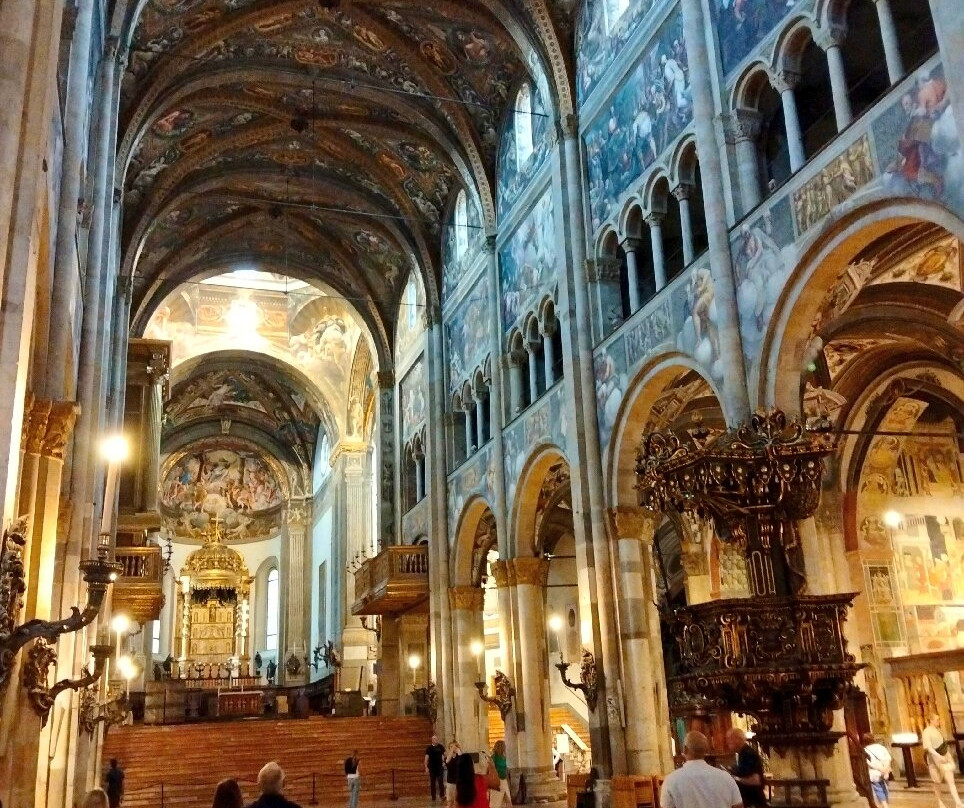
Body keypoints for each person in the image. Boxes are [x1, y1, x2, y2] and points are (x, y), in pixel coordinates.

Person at [660, 731, 744, 808]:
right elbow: (739, 806)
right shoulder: (726, 778)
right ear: (706, 750)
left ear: (685, 749)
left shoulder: (671, 780)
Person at [922, 714, 963, 808]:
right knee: (937, 783)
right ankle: (940, 802)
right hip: (934, 759)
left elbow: (943, 745)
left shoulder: (938, 730)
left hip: (944, 757)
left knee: (951, 781)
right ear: (931, 720)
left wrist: (947, 756)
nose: (938, 722)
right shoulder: (926, 732)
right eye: (937, 720)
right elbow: (929, 748)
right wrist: (939, 757)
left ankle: (957, 802)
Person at [725, 729, 767, 808]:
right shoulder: (743, 752)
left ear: (738, 739)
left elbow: (745, 772)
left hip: (752, 797)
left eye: (730, 738)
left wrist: (731, 771)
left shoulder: (748, 753)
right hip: (750, 797)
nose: (727, 741)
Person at [862, 733, 892, 808]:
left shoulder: (865, 750)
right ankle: (886, 804)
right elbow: (888, 758)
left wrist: (880, 769)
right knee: (885, 787)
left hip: (874, 772)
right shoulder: (881, 747)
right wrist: (885, 769)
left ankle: (884, 805)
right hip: (885, 771)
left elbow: (869, 763)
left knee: (878, 789)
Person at [426, 734, 447, 802]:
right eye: (434, 739)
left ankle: (442, 795)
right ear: (432, 740)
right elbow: (426, 758)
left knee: (441, 782)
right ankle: (433, 796)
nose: (436, 740)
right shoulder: (429, 748)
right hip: (432, 768)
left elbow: (445, 754)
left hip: (440, 767)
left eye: (436, 739)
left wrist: (445, 762)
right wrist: (426, 766)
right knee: (432, 783)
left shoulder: (440, 747)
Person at [491, 740, 511, 808]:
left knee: (507, 800)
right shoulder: (494, 757)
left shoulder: (504, 757)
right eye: (504, 746)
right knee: (497, 801)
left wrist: (508, 781)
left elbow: (505, 770)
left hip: (504, 779)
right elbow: (491, 769)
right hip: (497, 780)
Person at [445, 741, 462, 808]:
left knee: (457, 802)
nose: (453, 748)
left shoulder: (459, 756)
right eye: (451, 747)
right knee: (449, 802)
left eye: (454, 746)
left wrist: (458, 749)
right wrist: (451, 750)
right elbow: (447, 761)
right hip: (450, 782)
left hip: (458, 782)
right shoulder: (447, 757)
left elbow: (462, 759)